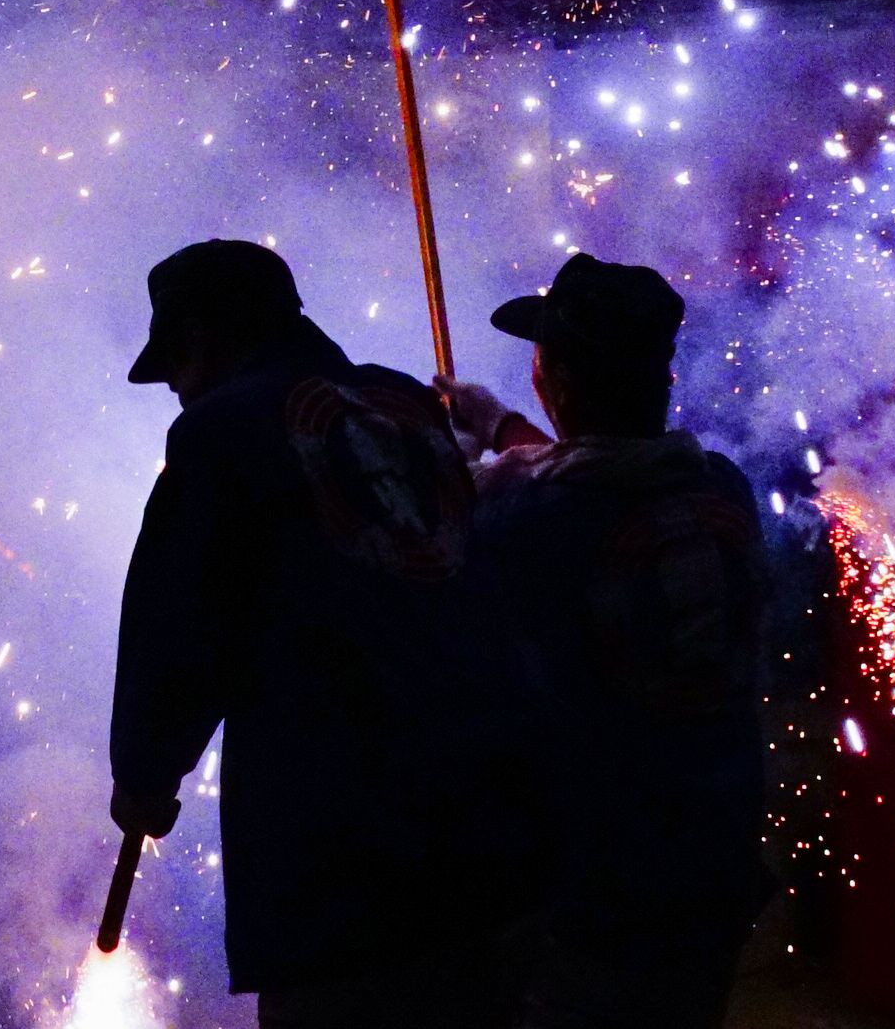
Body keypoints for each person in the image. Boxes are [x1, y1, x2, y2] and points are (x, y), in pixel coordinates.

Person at [108, 239, 528, 1027]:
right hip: (484, 834)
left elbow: (180, 633)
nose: (175, 389)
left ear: (200, 337)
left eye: (174, 367)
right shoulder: (407, 406)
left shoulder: (220, 432)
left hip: (341, 866)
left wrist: (144, 775)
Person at [442, 254, 769, 1029]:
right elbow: (598, 466)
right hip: (712, 871)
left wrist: (453, 465)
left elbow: (531, 496)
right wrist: (497, 425)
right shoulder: (719, 485)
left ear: (555, 376)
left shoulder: (522, 516)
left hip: (592, 897)